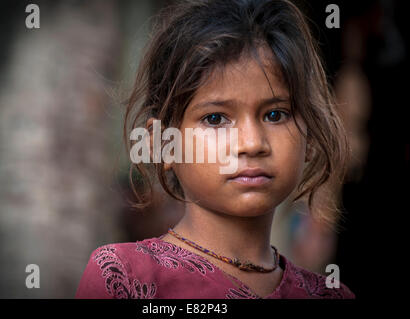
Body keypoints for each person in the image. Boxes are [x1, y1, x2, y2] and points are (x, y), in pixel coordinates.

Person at [76, 0, 355, 299]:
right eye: (215, 118)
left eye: (275, 114)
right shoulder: (126, 277)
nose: (251, 143)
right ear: (164, 144)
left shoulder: (330, 295)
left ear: (309, 136)